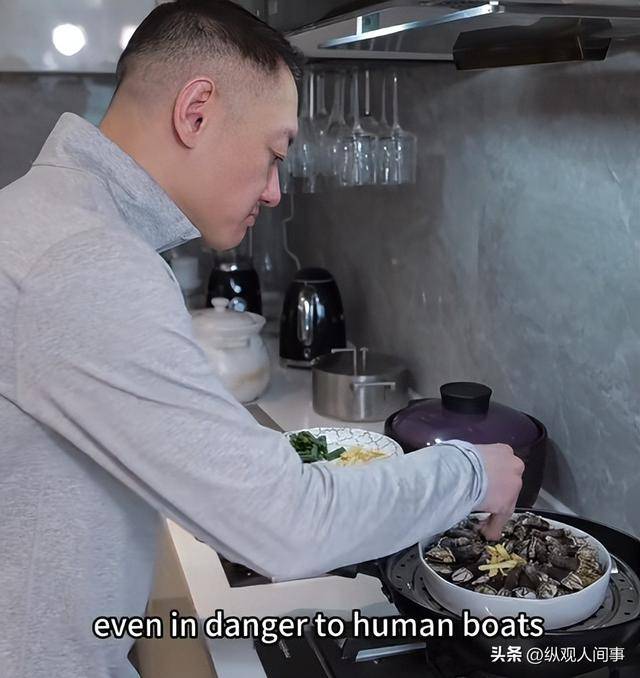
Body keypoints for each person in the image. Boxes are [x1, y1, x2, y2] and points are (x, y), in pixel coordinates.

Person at [0, 1, 524, 676]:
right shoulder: (84, 261)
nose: (275, 191)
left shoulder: (49, 220)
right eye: (274, 153)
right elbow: (288, 522)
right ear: (196, 113)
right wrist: (470, 472)